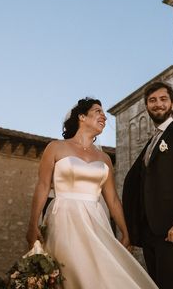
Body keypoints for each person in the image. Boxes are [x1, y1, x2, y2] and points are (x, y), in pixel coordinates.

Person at [26, 97, 158, 289]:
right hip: (64, 217)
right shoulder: (55, 148)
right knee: (71, 271)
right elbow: (43, 186)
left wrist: (125, 231)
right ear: (81, 117)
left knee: (101, 272)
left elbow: (112, 199)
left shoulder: (104, 158)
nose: (104, 116)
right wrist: (33, 224)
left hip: (96, 220)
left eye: (104, 113)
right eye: (98, 111)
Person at [123, 82, 173, 289]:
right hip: (149, 230)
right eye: (152, 100)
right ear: (146, 106)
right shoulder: (151, 143)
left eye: (163, 99)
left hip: (172, 228)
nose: (158, 104)